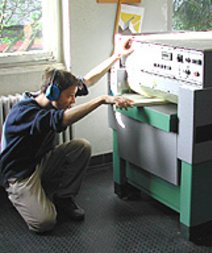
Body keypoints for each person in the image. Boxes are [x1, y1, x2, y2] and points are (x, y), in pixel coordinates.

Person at [0, 37, 134, 233]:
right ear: (52, 94)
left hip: (39, 160)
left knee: (81, 147)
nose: (73, 100)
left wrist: (117, 55)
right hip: (19, 174)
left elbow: (88, 79)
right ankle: (19, 195)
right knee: (45, 223)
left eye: (74, 95)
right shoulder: (26, 113)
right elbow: (62, 119)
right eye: (69, 96)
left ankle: (63, 198)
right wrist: (102, 100)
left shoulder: (54, 95)